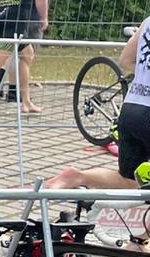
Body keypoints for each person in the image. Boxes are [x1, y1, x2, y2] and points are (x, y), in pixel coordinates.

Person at [47, 20, 150, 195]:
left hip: (131, 108)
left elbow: (125, 60)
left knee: (129, 181)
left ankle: (79, 177)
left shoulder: (148, 21)